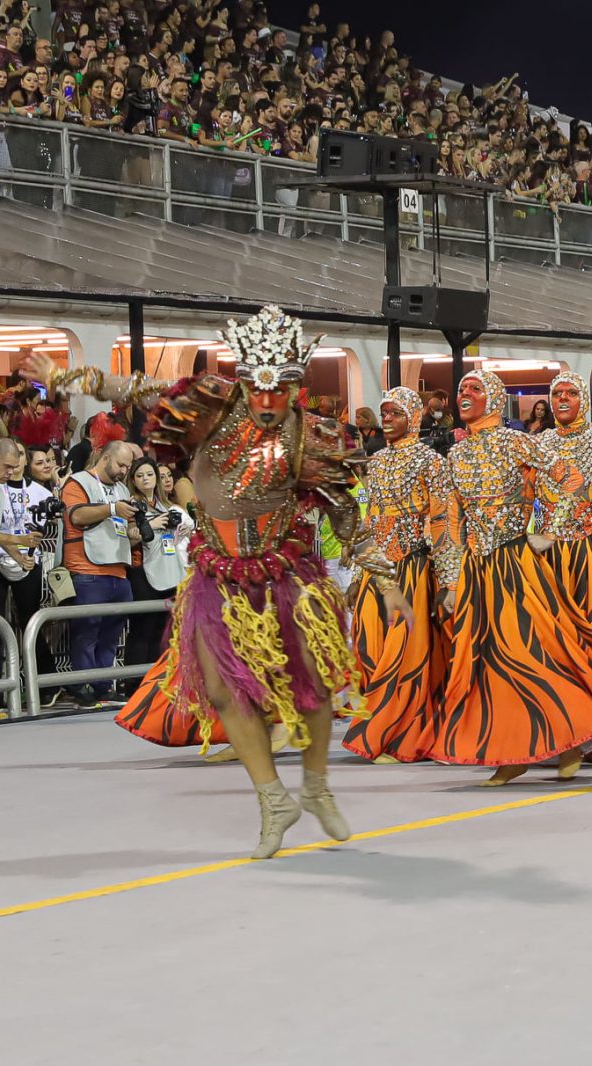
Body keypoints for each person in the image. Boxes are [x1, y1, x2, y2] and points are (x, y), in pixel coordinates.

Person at [25, 306, 411, 859]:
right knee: (227, 693)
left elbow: (343, 511)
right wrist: (72, 377)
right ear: (245, 378)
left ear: (298, 384)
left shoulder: (310, 435)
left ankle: (318, 784)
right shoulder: (211, 406)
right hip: (216, 577)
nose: (269, 401)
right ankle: (273, 799)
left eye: (282, 389)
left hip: (288, 572)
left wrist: (383, 575)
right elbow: (141, 387)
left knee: (316, 682)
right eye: (259, 387)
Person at [428, 370, 592, 784]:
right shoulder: (455, 457)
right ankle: (512, 751)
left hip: (520, 564)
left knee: (535, 653)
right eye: (461, 389)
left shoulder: (520, 442)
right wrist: (450, 582)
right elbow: (449, 521)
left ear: (495, 399)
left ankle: (570, 741)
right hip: (479, 572)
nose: (465, 395)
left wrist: (549, 531)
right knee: (489, 662)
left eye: (474, 389)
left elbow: (570, 482)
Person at [342, 388, 459, 764]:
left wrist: (448, 580)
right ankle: (388, 727)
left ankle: (390, 735)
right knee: (370, 647)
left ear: (412, 415)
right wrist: (361, 573)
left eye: (395, 412)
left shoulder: (430, 461)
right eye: (384, 413)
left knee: (404, 654)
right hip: (379, 570)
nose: (388, 418)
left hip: (413, 569)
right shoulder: (374, 462)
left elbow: (442, 522)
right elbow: (371, 518)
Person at [58, 440, 140, 709]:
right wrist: (112, 508)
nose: (124, 471)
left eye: (128, 466)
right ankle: (82, 687)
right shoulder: (78, 482)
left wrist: (134, 533)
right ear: (104, 458)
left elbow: (120, 526)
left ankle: (105, 686)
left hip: (118, 568)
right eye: (120, 464)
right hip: (87, 568)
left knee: (111, 635)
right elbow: (77, 517)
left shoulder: (121, 488)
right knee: (86, 633)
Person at [0, 439, 44, 718]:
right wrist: (16, 539)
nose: (11, 472)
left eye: (15, 467)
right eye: (7, 466)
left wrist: (19, 556)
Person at [122, 456, 195, 676]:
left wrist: (181, 531)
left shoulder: (167, 506)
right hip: (142, 572)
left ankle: (158, 679)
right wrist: (149, 525)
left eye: (149, 474)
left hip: (170, 571)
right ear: (133, 480)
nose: (146, 479)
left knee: (163, 631)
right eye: (140, 476)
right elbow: (127, 538)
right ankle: (134, 683)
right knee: (142, 629)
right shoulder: (130, 505)